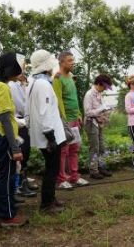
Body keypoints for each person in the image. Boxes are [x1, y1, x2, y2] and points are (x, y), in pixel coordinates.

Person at [0, 52, 28, 227]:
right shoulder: (2, 87)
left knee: (4, 174)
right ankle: (7, 215)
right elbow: (5, 118)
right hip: (3, 137)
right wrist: (15, 148)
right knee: (9, 177)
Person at [26, 49, 66, 213]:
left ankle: (51, 199)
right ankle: (46, 204)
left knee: (52, 167)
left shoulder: (36, 82)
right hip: (49, 135)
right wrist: (50, 136)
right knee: (52, 169)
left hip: (45, 133)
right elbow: (44, 112)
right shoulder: (42, 84)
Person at [53, 50, 89, 190]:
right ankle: (62, 179)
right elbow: (58, 99)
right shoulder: (57, 78)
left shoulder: (71, 77)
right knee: (63, 151)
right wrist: (63, 118)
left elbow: (74, 97)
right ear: (61, 62)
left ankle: (75, 176)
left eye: (73, 60)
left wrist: (79, 113)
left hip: (75, 119)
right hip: (65, 120)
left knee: (75, 149)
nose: (72, 63)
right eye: (69, 60)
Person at [8, 54, 38, 197]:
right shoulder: (12, 85)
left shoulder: (19, 84)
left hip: (23, 122)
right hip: (18, 123)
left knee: (24, 155)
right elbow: (21, 105)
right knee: (21, 155)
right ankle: (19, 185)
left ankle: (22, 183)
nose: (24, 69)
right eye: (22, 65)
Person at [83, 75, 113, 179]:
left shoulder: (99, 94)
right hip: (91, 123)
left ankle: (101, 167)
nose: (105, 89)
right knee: (94, 147)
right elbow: (87, 112)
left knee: (102, 147)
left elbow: (100, 108)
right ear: (100, 84)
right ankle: (93, 171)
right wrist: (101, 109)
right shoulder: (89, 94)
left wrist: (106, 109)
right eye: (104, 87)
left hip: (98, 122)